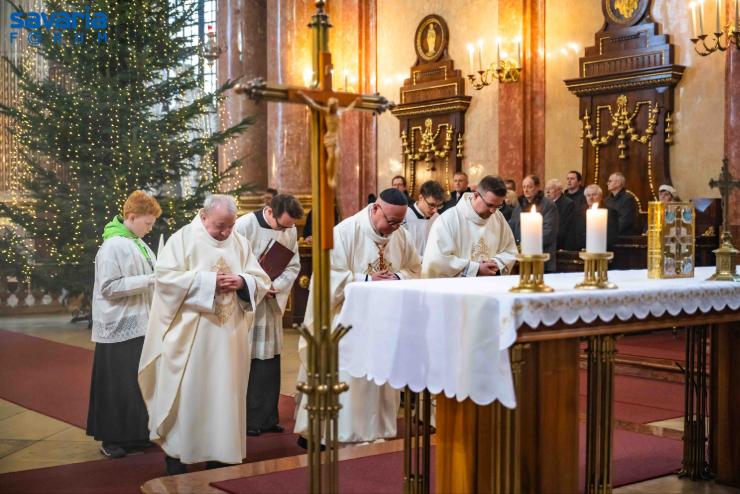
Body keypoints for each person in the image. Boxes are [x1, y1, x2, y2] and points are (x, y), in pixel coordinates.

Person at [138, 195, 272, 475]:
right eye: (219, 226)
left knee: (225, 393)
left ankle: (221, 454)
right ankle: (179, 454)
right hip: (192, 337)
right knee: (190, 394)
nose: (225, 232)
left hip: (230, 337)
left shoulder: (239, 242)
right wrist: (209, 282)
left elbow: (260, 279)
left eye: (230, 226)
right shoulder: (183, 240)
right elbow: (164, 279)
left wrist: (242, 281)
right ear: (203, 216)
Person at [294, 188, 421, 444]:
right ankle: (335, 433)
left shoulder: (401, 236)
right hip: (347, 321)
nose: (395, 227)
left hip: (384, 321)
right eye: (391, 221)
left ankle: (376, 430)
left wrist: (397, 277)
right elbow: (325, 277)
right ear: (375, 209)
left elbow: (415, 269)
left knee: (379, 379)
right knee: (348, 378)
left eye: (400, 222)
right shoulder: (344, 232)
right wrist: (366, 279)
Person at [87, 191, 162, 459]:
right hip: (118, 326)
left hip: (141, 324)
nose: (150, 228)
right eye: (147, 223)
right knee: (117, 384)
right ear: (131, 217)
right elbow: (108, 287)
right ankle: (112, 438)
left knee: (136, 383)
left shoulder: (138, 243)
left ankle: (136, 435)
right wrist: (151, 280)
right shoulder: (113, 245)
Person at [235, 194, 304, 438]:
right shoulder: (244, 226)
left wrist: (277, 285)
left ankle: (267, 417)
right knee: (251, 360)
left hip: (272, 300)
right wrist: (258, 286)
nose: (287, 230)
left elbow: (293, 265)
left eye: (291, 226)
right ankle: (248, 418)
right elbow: (235, 264)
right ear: (269, 212)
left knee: (271, 360)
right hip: (249, 303)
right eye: (283, 225)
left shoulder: (290, 229)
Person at [423, 175, 517, 278]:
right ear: (476, 195)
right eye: (490, 205)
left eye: (498, 206)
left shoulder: (498, 217)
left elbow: (510, 250)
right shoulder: (448, 220)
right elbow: (436, 260)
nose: (493, 211)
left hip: (490, 288)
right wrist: (476, 269)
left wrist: (496, 264)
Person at [509, 175, 559, 272]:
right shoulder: (520, 205)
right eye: (524, 187)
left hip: (542, 257)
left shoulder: (548, 205)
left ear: (537, 187)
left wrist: (527, 245)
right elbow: (512, 225)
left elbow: (549, 231)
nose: (526, 190)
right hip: (522, 257)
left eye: (529, 187)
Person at [403, 180, 445, 258]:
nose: (435, 210)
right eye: (431, 205)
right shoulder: (405, 216)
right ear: (421, 197)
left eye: (438, 206)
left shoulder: (437, 218)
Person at [573, 184, 619, 251]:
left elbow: (611, 235)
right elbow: (574, 233)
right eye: (588, 195)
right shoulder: (578, 212)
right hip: (581, 250)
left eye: (594, 195)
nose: (591, 198)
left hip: (602, 250)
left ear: (600, 196)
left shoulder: (609, 212)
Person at [544, 178, 575, 251]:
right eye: (546, 189)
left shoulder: (568, 204)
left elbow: (565, 227)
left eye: (550, 189)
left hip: (559, 244)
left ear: (559, 190)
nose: (547, 192)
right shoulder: (544, 204)